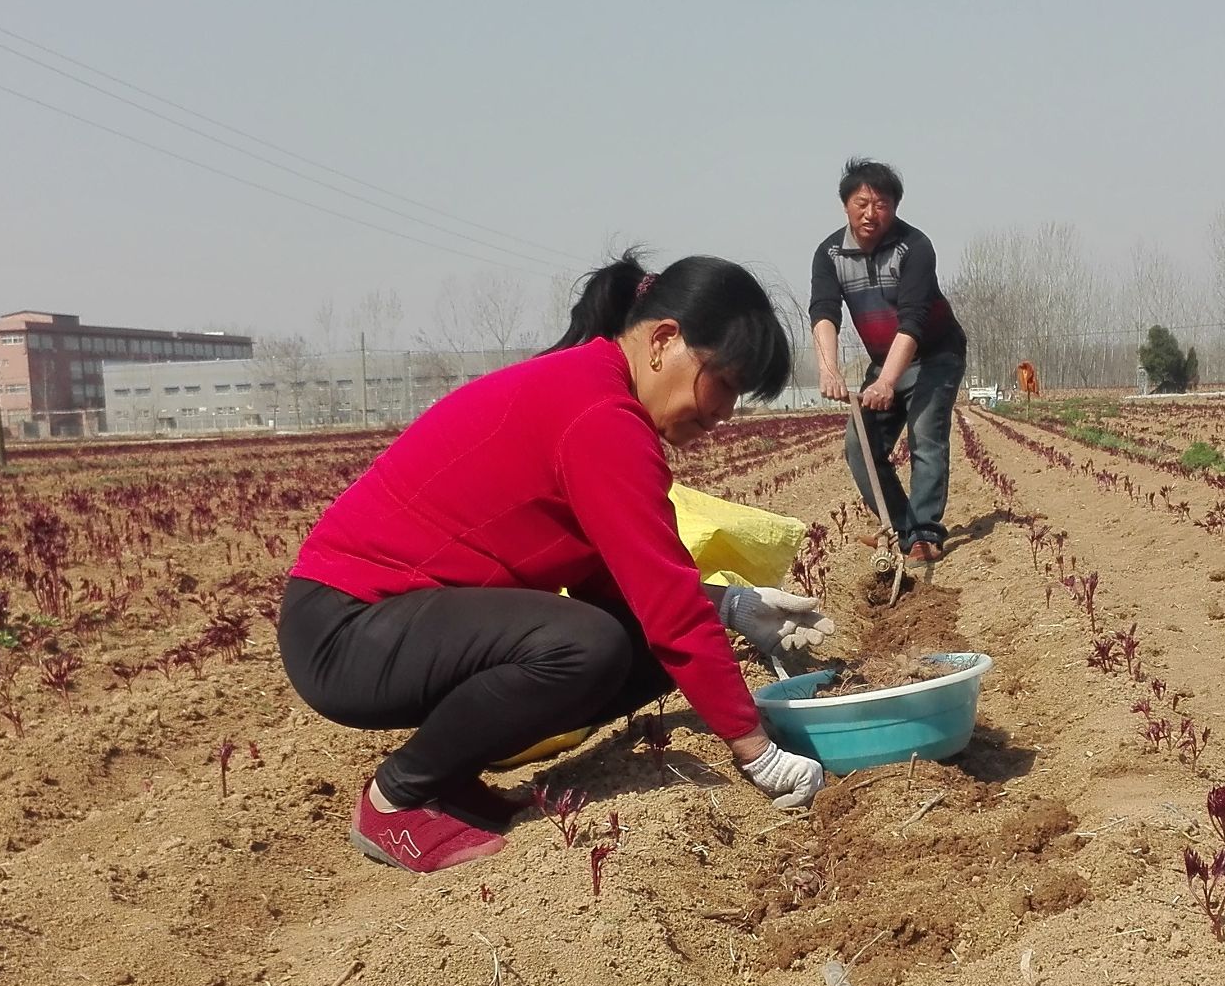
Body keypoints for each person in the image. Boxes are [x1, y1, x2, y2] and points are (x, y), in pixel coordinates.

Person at [279, 252, 836, 874]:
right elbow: (665, 606)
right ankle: (396, 799)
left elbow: (621, 581)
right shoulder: (601, 417)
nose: (724, 411)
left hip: (395, 623)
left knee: (637, 648)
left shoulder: (594, 392)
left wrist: (728, 605)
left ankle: (449, 779)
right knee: (588, 645)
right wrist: (757, 752)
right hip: (345, 626)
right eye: (723, 383)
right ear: (664, 341)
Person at [810, 157, 968, 578]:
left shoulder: (914, 247)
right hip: (885, 359)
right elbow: (824, 313)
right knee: (859, 447)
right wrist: (829, 368)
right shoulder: (829, 254)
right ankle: (903, 528)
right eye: (862, 203)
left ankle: (925, 535)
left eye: (881, 204)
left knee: (926, 437)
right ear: (846, 204)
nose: (870, 213)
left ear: (895, 207)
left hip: (935, 355)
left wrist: (887, 382)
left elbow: (913, 319)